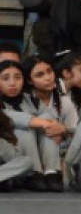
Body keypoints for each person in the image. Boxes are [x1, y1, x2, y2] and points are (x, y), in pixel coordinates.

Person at [0, 60, 64, 192]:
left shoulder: (31, 100)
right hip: (7, 154)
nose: (12, 83)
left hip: (24, 159)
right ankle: (33, 174)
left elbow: (50, 122)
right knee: (27, 127)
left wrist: (59, 128)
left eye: (17, 77)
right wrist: (41, 123)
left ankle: (50, 172)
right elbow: (12, 117)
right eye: (5, 78)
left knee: (46, 120)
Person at [23, 55, 78, 192]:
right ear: (29, 81)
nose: (48, 77)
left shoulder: (64, 101)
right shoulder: (24, 100)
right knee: (45, 123)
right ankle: (37, 173)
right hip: (30, 154)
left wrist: (63, 130)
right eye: (40, 75)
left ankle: (51, 173)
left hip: (60, 151)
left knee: (53, 130)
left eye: (49, 71)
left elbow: (77, 132)